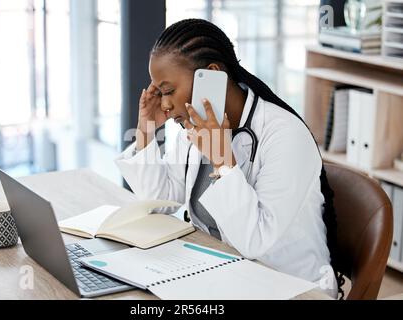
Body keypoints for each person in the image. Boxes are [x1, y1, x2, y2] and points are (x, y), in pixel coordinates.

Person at [115, 18, 342, 298]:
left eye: (169, 90)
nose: (164, 104)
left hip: (287, 286)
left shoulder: (284, 135)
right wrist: (146, 130)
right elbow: (161, 200)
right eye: (159, 92)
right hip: (220, 273)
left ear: (212, 75)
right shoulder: (197, 126)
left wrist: (223, 161)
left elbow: (256, 241)